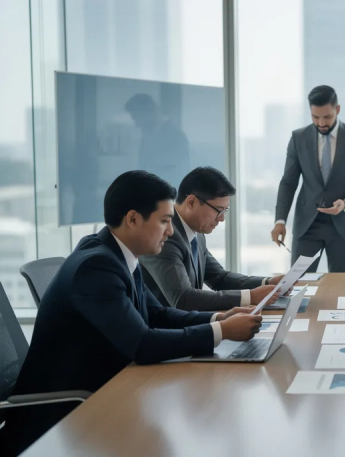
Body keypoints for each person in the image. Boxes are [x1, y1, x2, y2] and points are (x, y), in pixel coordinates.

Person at [1, 171, 262, 455]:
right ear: (133, 219)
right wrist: (221, 332)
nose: (171, 230)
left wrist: (217, 319)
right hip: (61, 416)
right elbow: (142, 344)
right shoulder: (96, 267)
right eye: (164, 221)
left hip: (101, 392)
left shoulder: (117, 255)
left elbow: (158, 313)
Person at [141, 167, 282, 311]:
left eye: (225, 211)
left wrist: (267, 282)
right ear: (191, 202)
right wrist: (249, 297)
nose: (221, 219)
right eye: (218, 210)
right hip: (166, 329)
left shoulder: (196, 232)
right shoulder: (165, 236)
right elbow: (183, 299)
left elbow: (219, 277)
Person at [271, 85, 345, 273]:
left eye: (327, 117)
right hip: (307, 224)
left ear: (337, 109)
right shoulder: (298, 138)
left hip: (343, 225)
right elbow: (288, 182)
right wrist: (280, 220)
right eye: (315, 117)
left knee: (339, 287)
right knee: (298, 282)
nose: (321, 123)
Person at [124, 93, 191, 184]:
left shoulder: (175, 136)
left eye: (137, 118)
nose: (137, 124)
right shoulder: (149, 135)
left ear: (149, 112)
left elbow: (174, 173)